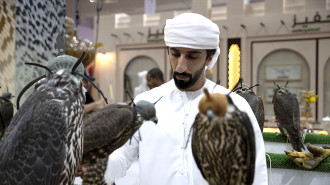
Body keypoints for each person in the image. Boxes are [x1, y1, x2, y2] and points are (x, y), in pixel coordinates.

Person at [104, 13, 268, 185]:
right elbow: (121, 156)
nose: (180, 66)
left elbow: (254, 173)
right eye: (175, 54)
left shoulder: (235, 105)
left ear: (209, 58)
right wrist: (94, 166)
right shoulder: (146, 102)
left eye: (192, 56)